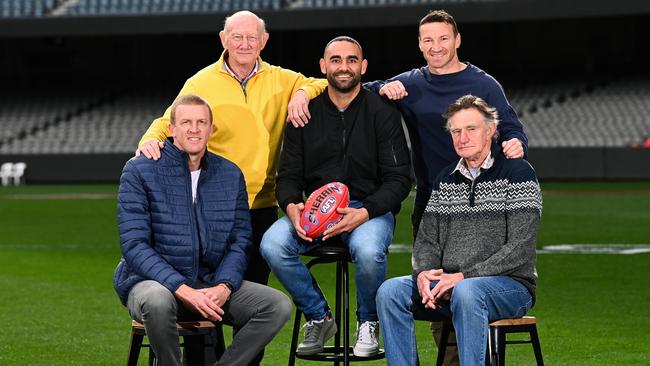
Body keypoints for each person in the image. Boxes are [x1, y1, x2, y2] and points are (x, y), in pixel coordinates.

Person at [363, 10, 529, 364]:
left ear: (457, 41)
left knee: (467, 289)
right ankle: (448, 360)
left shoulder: (484, 84)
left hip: (488, 192)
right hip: (435, 196)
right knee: (434, 290)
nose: (436, 46)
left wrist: (517, 145)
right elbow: (353, 92)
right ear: (420, 45)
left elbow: (512, 127)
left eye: (443, 38)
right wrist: (381, 87)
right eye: (428, 40)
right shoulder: (411, 82)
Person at [136, 10, 327, 287]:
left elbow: (322, 83)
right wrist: (149, 139)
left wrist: (302, 93)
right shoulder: (200, 82)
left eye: (252, 37)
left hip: (263, 203)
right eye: (237, 37)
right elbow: (169, 121)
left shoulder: (282, 79)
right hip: (214, 202)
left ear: (264, 41)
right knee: (211, 283)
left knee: (255, 289)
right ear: (223, 39)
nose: (245, 44)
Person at [259, 36, 412, 357]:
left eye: (352, 60)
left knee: (369, 252)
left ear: (364, 66)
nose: (344, 67)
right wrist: (292, 208)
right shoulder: (304, 113)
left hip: (366, 210)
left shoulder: (382, 112)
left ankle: (368, 323)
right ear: (323, 66)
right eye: (337, 60)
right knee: (272, 244)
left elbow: (399, 181)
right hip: (316, 209)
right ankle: (319, 316)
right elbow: (287, 176)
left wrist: (365, 212)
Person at [114, 94, 292, 366]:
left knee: (276, 305)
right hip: (153, 283)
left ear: (212, 129)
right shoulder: (139, 171)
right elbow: (134, 245)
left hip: (208, 282)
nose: (194, 129)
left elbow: (239, 241)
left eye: (201, 122)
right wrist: (181, 288)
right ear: (171, 129)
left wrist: (224, 285)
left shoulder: (230, 174)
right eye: (186, 122)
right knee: (158, 302)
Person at [376, 95, 542, 366]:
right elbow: (427, 240)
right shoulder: (445, 178)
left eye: (471, 129)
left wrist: (464, 277)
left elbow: (520, 248)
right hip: (451, 283)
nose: (462, 138)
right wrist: (422, 275)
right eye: (456, 131)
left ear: (490, 131)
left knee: (467, 292)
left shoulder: (518, 173)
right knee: (390, 291)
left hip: (510, 286)